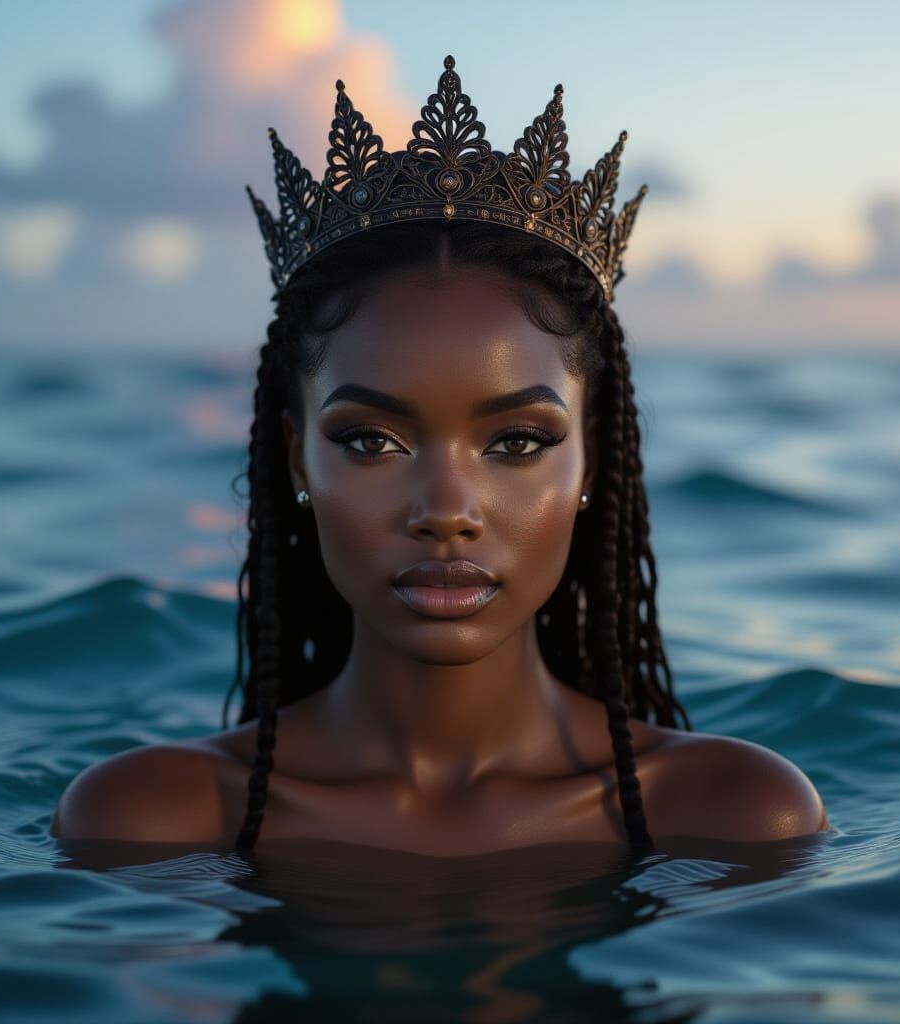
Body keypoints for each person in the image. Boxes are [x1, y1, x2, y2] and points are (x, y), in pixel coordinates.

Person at [51, 56, 827, 859]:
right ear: (295, 462)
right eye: (371, 442)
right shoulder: (148, 819)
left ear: (593, 463)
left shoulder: (735, 815)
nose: (447, 511)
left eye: (517, 443)